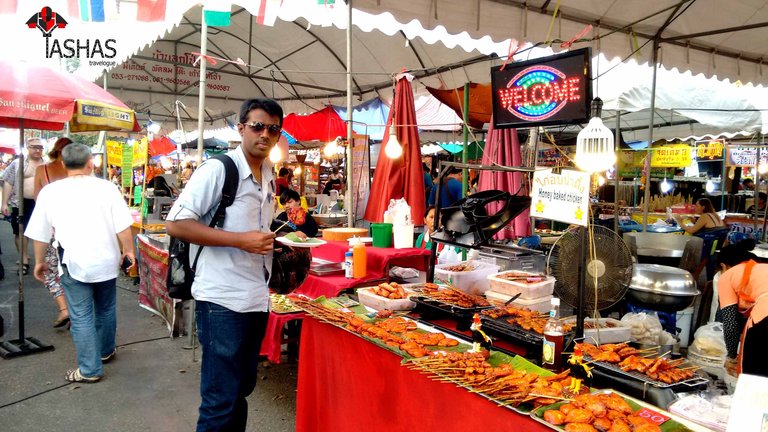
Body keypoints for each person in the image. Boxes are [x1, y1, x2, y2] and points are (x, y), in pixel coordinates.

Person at [165, 98, 282, 431]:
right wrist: (240, 240)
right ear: (242, 128)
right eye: (258, 126)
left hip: (255, 297)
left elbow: (256, 231)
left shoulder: (268, 173)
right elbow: (176, 223)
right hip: (221, 299)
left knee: (241, 390)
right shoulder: (219, 169)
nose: (265, 134)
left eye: (273, 128)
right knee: (220, 399)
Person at [25, 143, 135, 383]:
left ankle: (89, 369)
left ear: (63, 165)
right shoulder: (107, 188)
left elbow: (40, 234)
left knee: (82, 315)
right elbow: (123, 226)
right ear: (90, 163)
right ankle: (105, 351)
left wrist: (39, 262)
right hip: (106, 261)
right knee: (106, 308)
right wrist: (128, 250)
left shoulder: (51, 192)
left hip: (74, 263)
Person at [32, 137, 73, 328]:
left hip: (51, 227)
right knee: (72, 269)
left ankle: (64, 309)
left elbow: (37, 200)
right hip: (74, 228)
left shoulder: (43, 170)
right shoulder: (76, 171)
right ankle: (77, 308)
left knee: (49, 270)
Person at [715, 239, 768, 378]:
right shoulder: (762, 268)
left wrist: (731, 356)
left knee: (753, 377)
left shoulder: (727, 276)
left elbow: (730, 324)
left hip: (764, 315)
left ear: (723, 266)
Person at [2, 138, 46, 275]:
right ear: (28, 147)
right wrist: (4, 203)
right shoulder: (17, 163)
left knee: (43, 233)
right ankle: (23, 259)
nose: (37, 150)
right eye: (34, 147)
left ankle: (42, 261)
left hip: (41, 203)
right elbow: (8, 182)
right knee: (20, 231)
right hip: (20, 202)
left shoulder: (46, 164)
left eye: (40, 147)